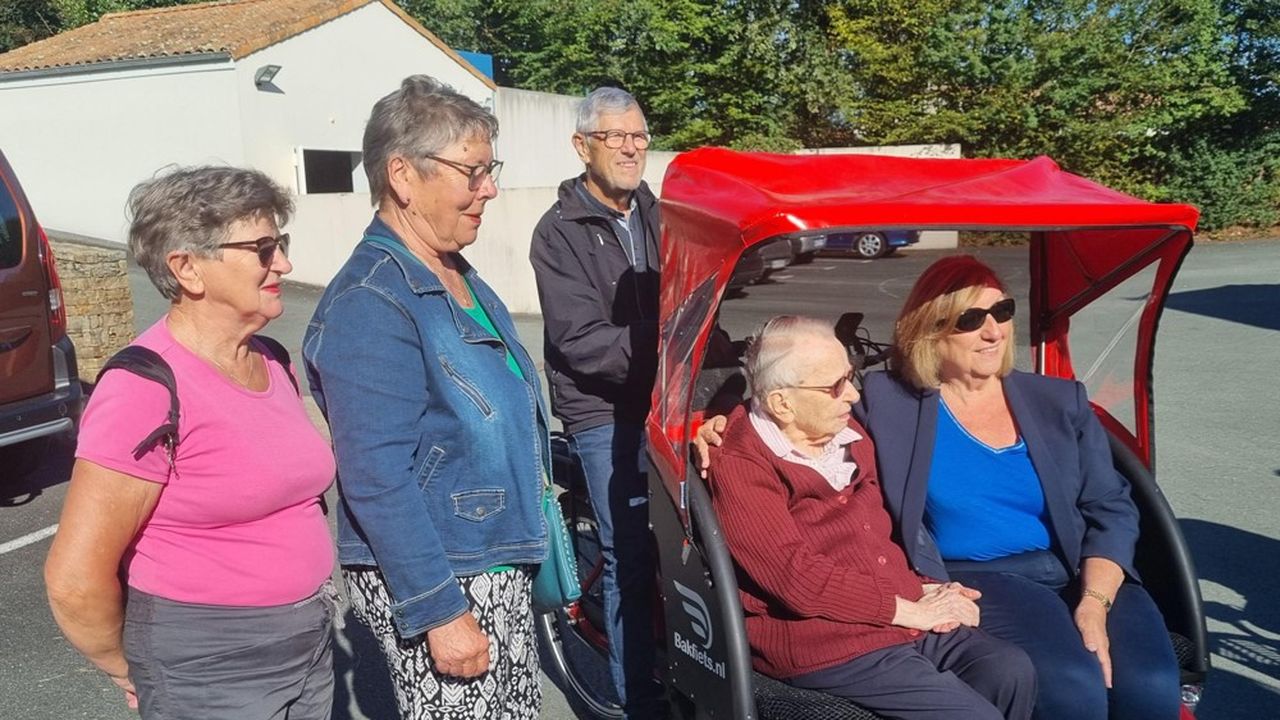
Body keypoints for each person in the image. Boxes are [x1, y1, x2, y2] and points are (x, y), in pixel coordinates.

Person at [44, 166, 336, 719]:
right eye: (263, 248)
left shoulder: (272, 360)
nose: (285, 264)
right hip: (208, 668)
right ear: (187, 268)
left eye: (281, 244)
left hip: (309, 644)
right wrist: (131, 669)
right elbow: (74, 580)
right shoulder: (143, 387)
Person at [304, 75, 548, 719]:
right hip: (447, 578)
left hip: (489, 563)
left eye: (489, 168)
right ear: (403, 176)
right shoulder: (371, 301)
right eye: (473, 171)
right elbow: (376, 476)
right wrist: (440, 609)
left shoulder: (453, 272)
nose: (489, 188)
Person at [858, 255, 1180, 719]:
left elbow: (1110, 506)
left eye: (1002, 312)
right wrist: (721, 427)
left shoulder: (1056, 400)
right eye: (971, 320)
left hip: (1076, 568)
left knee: (1149, 687)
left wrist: (1094, 602)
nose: (993, 331)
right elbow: (803, 416)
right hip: (980, 576)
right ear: (928, 330)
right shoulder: (887, 401)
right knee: (1072, 688)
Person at [706, 315, 1035, 720]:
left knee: (1008, 671)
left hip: (889, 614)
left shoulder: (849, 437)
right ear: (782, 404)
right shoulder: (742, 462)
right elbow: (796, 578)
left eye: (851, 376)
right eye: (835, 386)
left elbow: (877, 542)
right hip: (823, 641)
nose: (853, 395)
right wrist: (909, 609)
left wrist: (929, 590)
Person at [528, 86, 661, 715]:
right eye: (617, 137)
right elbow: (582, 344)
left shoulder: (661, 215)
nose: (632, 148)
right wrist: (668, 341)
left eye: (640, 135)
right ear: (583, 146)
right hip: (602, 411)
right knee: (630, 554)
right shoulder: (558, 233)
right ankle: (640, 702)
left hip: (667, 394)